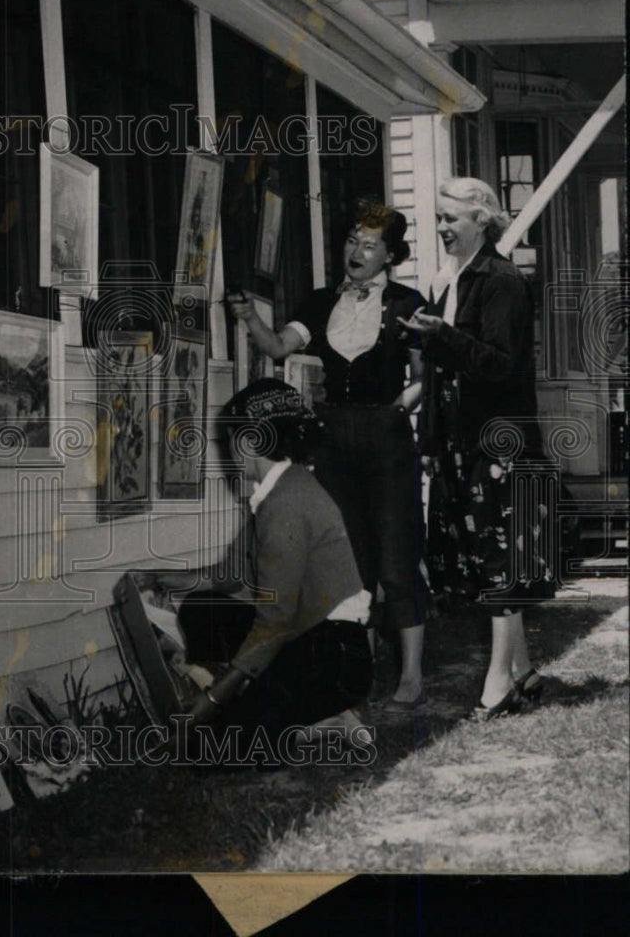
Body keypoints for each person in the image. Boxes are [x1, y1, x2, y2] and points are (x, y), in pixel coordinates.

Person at [230, 204, 431, 708]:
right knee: (351, 558)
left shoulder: (408, 301)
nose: (355, 253)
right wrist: (250, 317)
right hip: (332, 437)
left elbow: (424, 376)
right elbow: (277, 347)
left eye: (368, 244)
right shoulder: (320, 302)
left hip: (386, 437)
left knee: (396, 554)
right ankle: (358, 668)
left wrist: (393, 412)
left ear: (390, 254)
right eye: (351, 241)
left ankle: (411, 675)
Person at [136, 378, 373, 739]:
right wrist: (161, 576)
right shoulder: (283, 487)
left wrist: (214, 700)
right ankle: (288, 713)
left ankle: (321, 719)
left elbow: (275, 621)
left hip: (334, 656)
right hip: (317, 640)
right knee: (203, 608)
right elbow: (231, 574)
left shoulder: (286, 504)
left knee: (212, 748)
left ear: (248, 441)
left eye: (229, 441)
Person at [399, 176, 549, 719]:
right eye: (438, 219)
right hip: (463, 441)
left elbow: (501, 364)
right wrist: (431, 437)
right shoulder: (454, 279)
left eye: (450, 219)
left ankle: (497, 684)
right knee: (486, 554)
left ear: (481, 220)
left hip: (498, 441)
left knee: (498, 557)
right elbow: (447, 370)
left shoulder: (501, 281)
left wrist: (442, 336)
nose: (440, 228)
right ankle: (523, 670)